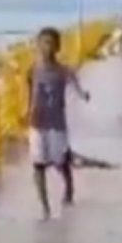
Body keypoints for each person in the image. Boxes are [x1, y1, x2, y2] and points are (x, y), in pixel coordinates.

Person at [27, 27, 91, 220]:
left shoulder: (63, 70)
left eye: (51, 43)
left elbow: (76, 84)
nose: (47, 47)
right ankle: (45, 207)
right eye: (43, 42)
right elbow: (30, 94)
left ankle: (69, 188)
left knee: (60, 162)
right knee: (38, 165)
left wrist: (83, 94)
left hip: (57, 124)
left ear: (58, 47)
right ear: (37, 45)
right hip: (37, 123)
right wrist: (26, 113)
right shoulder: (32, 70)